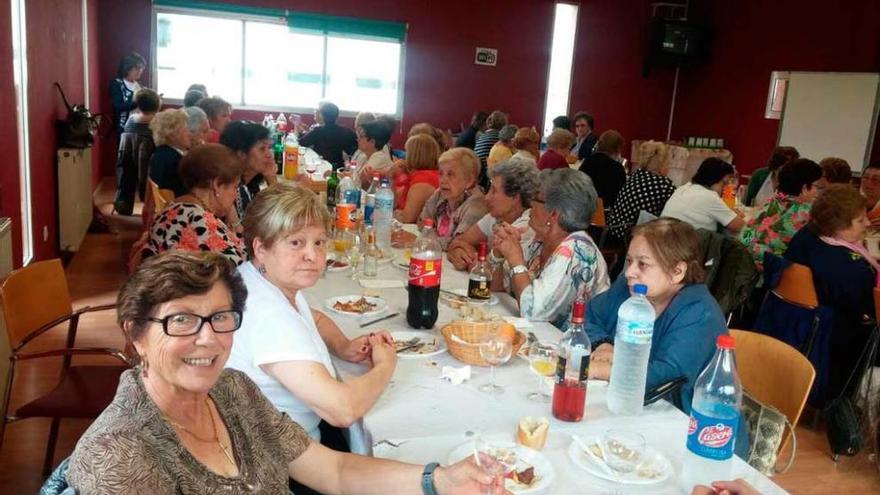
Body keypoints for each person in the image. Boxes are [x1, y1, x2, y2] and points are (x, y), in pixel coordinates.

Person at [67, 251, 505, 494]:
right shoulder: (119, 457)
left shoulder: (232, 390)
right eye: (180, 320)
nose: (208, 339)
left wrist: (440, 479)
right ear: (136, 334)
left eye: (221, 317)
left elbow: (331, 471)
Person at [227, 184, 396, 456]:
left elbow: (312, 317)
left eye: (319, 242)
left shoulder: (258, 280)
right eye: (296, 243)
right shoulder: (268, 315)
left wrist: (342, 345)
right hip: (282, 463)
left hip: (278, 441)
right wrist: (386, 365)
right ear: (260, 248)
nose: (312, 255)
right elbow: (342, 410)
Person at [586, 218, 728, 412]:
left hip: (690, 423)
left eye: (643, 264)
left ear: (677, 272)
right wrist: (602, 344)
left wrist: (600, 369)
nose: (629, 272)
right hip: (625, 403)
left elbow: (667, 374)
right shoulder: (628, 288)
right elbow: (588, 315)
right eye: (629, 261)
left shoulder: (700, 313)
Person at [785, 184, 877, 400]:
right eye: (860, 220)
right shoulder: (851, 268)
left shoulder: (806, 236)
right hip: (834, 338)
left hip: (799, 323)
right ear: (839, 225)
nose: (867, 223)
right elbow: (867, 310)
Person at [491, 168, 610, 328]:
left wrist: (515, 259)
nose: (530, 203)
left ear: (554, 214)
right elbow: (496, 288)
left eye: (537, 198)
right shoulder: (540, 241)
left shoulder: (576, 251)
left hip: (572, 347)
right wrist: (499, 253)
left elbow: (532, 311)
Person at [137, 144, 246, 267]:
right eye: (235, 187)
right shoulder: (201, 222)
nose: (236, 196)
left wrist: (231, 214)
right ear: (217, 185)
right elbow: (242, 271)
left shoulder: (176, 206)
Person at [447, 157, 539, 273]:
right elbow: (459, 241)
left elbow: (497, 275)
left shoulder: (527, 227)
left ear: (515, 197)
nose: (487, 197)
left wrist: (476, 263)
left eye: (494, 191)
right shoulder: (495, 217)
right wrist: (458, 252)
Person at [739, 158, 822, 271]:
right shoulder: (806, 212)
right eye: (817, 186)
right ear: (804, 188)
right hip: (772, 273)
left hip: (743, 262)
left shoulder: (774, 199)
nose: (818, 192)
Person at [419, 148, 489, 249]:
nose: (443, 180)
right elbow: (422, 222)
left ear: (469, 180)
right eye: (441, 173)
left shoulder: (477, 205)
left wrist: (425, 240)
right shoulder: (440, 193)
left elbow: (458, 243)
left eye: (450, 174)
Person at [607, 140, 675, 242]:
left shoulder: (636, 175)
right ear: (663, 165)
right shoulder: (664, 185)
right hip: (629, 236)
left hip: (612, 229)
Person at [662, 158, 745, 233]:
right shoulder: (709, 196)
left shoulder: (684, 187)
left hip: (662, 239)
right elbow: (740, 227)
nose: (724, 188)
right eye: (724, 183)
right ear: (714, 179)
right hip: (683, 246)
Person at [114, 88, 161, 215]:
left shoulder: (131, 119)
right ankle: (151, 205)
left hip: (128, 159)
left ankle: (123, 205)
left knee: (127, 179)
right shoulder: (157, 122)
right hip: (147, 163)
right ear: (157, 104)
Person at [219, 121, 278, 222]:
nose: (270, 155)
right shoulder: (229, 189)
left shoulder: (250, 184)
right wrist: (272, 180)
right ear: (242, 154)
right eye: (262, 149)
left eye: (269, 148)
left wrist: (271, 178)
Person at [394, 133, 440, 223]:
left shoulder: (423, 180)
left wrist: (393, 213)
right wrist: (391, 177)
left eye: (406, 152)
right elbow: (393, 203)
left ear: (414, 155)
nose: (404, 156)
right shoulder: (414, 175)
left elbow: (407, 219)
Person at [299, 101, 358, 170]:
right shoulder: (346, 131)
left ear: (321, 116)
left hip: (320, 166)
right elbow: (356, 144)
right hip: (338, 167)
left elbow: (302, 143)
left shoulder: (318, 131)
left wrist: (301, 131)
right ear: (337, 116)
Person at [148, 109, 192, 197]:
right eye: (185, 130)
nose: (189, 134)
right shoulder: (177, 161)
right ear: (172, 135)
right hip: (179, 205)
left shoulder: (159, 154)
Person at [578, 130, 627, 207]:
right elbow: (620, 195)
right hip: (605, 211)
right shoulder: (617, 167)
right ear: (618, 148)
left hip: (584, 207)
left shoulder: (588, 161)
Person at [109, 52, 146, 134]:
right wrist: (138, 102)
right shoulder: (117, 84)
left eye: (141, 68)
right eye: (137, 68)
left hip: (139, 127)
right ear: (127, 68)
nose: (140, 71)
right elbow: (117, 106)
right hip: (123, 128)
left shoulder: (140, 85)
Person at [356, 120, 395, 188]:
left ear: (372, 142)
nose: (358, 139)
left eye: (361, 136)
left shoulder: (379, 157)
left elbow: (357, 182)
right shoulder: (365, 155)